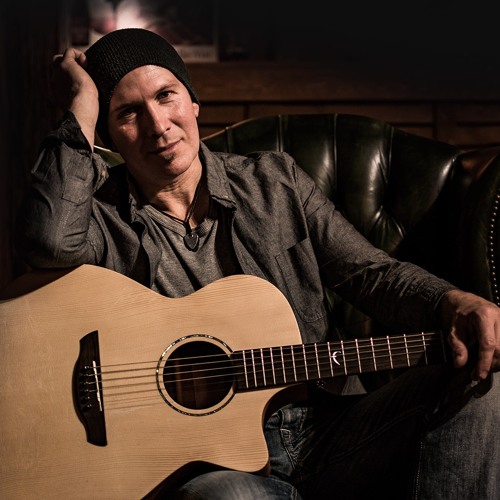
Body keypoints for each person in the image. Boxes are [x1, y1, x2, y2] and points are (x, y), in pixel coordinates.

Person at [16, 28, 499, 499]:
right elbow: (49, 241)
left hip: (333, 429)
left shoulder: (276, 182)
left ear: (193, 102)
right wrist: (81, 104)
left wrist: (450, 301)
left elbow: (371, 274)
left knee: (480, 384)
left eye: (166, 96)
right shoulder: (102, 220)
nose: (158, 124)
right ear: (107, 136)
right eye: (128, 112)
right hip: (211, 462)